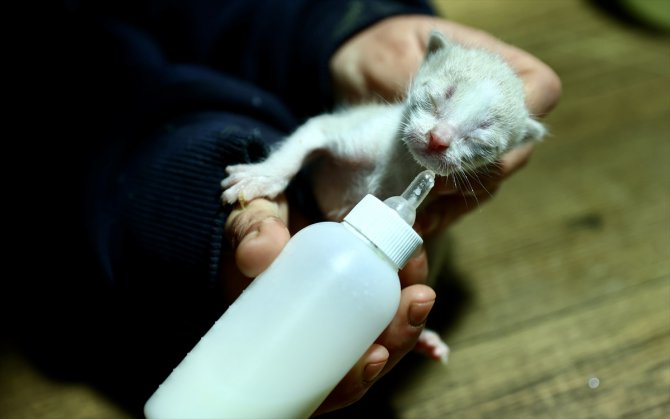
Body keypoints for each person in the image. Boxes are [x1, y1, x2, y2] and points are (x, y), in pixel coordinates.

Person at [40, 0, 560, 415]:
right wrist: (274, 172)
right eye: (440, 98)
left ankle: (413, 324)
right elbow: (318, 133)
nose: (442, 136)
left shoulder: (435, 178)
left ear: (515, 144)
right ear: (428, 60)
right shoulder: (376, 133)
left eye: (480, 139)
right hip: (295, 213)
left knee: (424, 254)